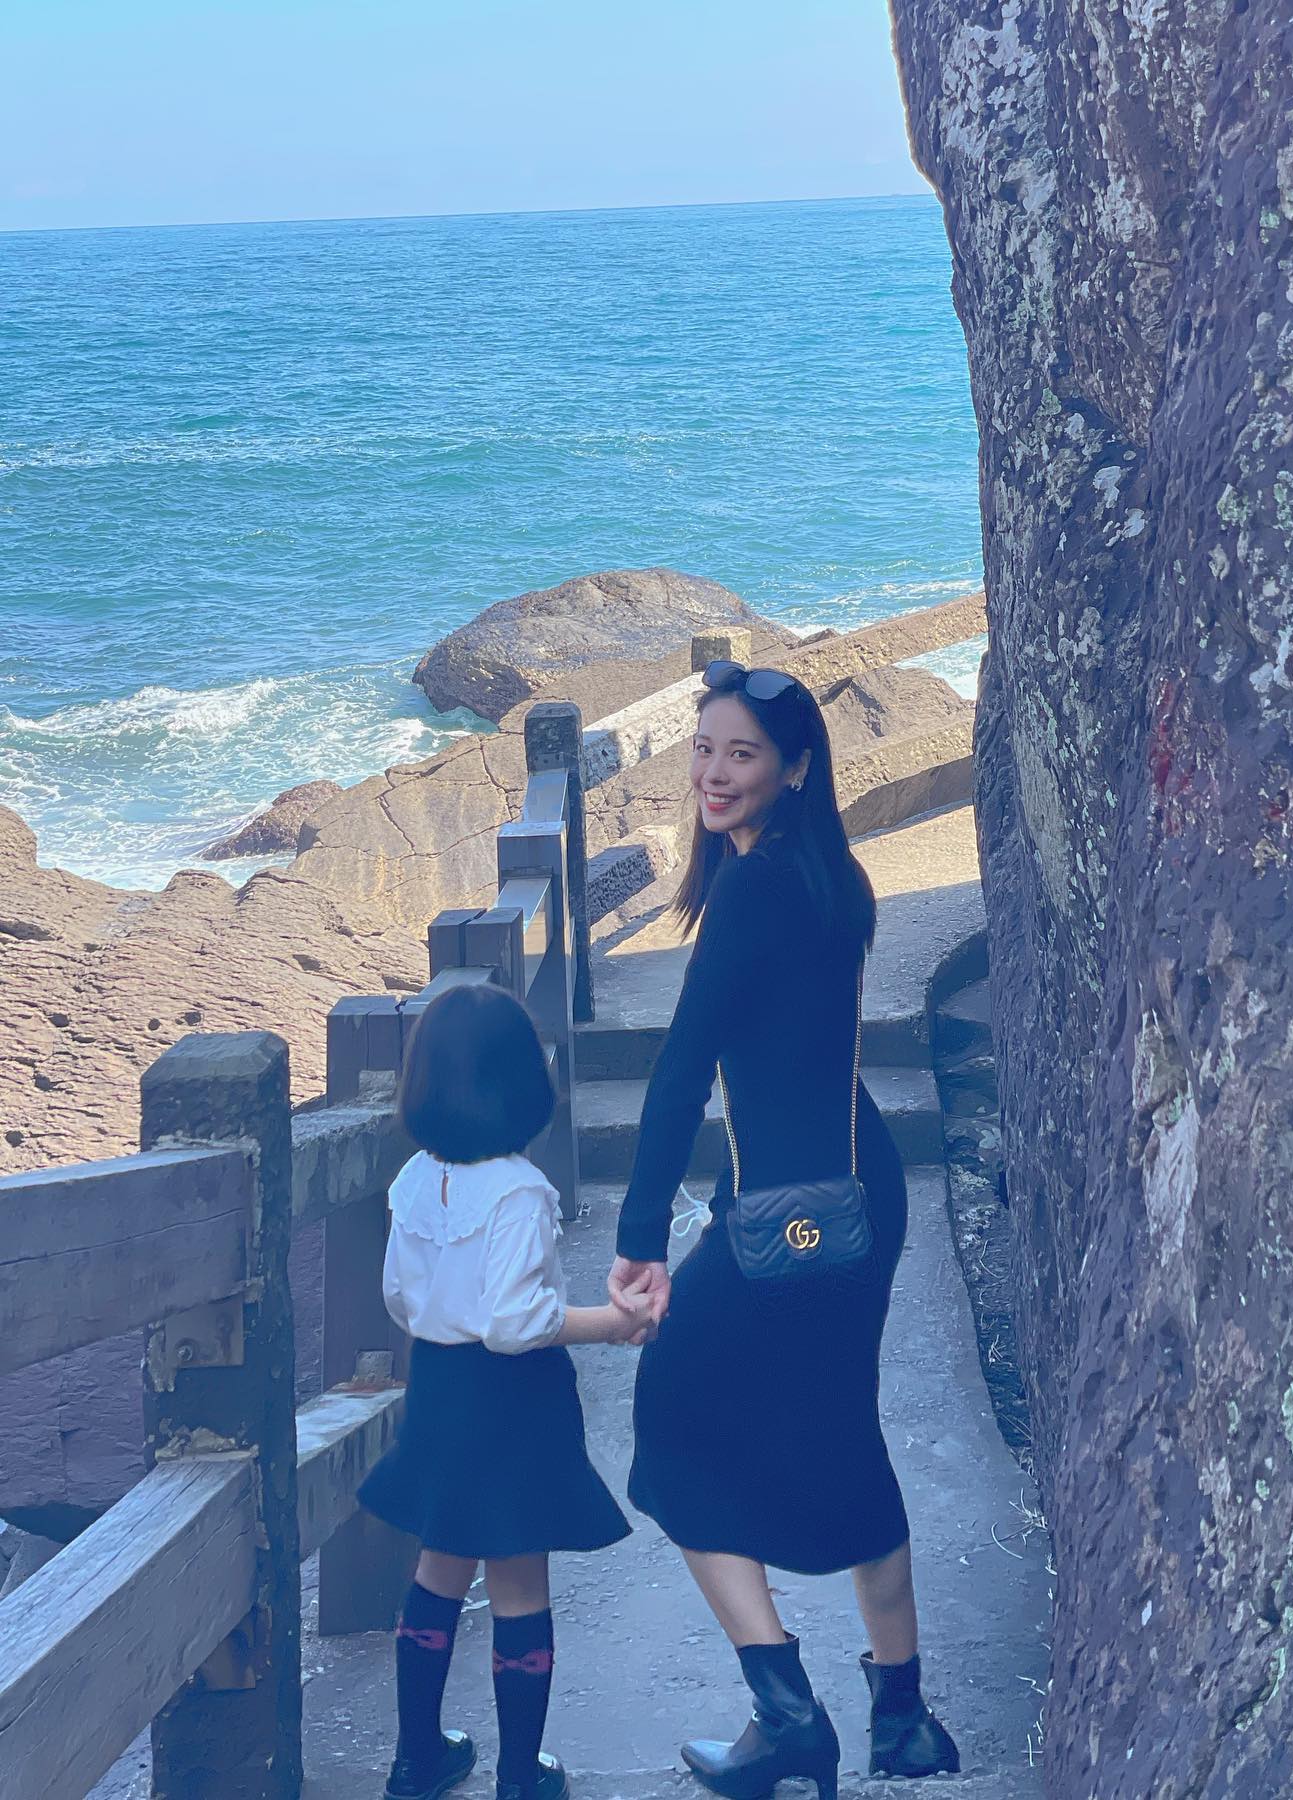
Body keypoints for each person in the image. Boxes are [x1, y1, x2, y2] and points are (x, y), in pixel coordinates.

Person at [608, 661, 960, 1799]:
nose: (712, 773)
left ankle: (790, 1714)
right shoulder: (833, 876)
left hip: (794, 1222)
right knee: (844, 1433)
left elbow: (683, 1069)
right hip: (851, 1196)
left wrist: (641, 1235)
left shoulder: (755, 892)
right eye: (703, 749)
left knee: (671, 1421)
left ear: (796, 768)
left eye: (742, 754)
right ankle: (901, 1719)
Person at [360, 982, 653, 1800]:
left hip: (438, 1387)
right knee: (519, 1579)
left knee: (439, 1565)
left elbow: (397, 1297)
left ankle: (417, 1759)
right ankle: (520, 1776)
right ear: (523, 1085)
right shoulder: (519, 1191)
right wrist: (612, 1322)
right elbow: (517, 1323)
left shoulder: (413, 1179)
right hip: (511, 1400)